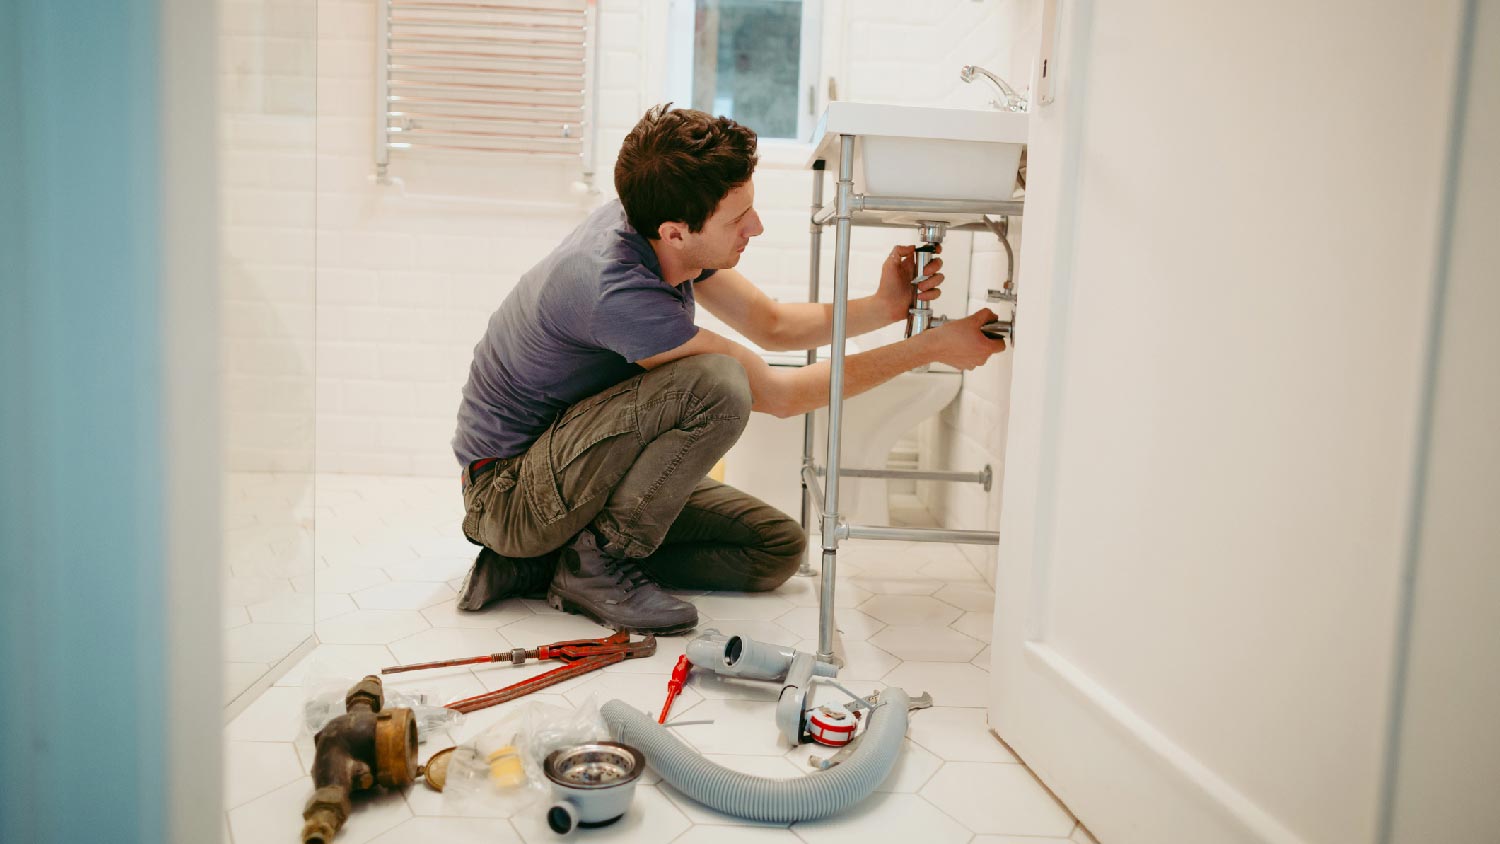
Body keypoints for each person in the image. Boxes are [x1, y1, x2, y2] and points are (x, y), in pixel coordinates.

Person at [452, 103, 1008, 634]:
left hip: (574, 471)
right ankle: (593, 567)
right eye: (740, 218)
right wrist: (929, 348)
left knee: (772, 549)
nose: (758, 227)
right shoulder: (615, 289)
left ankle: (544, 565)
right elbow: (780, 395)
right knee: (717, 383)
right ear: (676, 231)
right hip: (508, 494)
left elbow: (770, 324)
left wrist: (884, 308)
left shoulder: (659, 225)